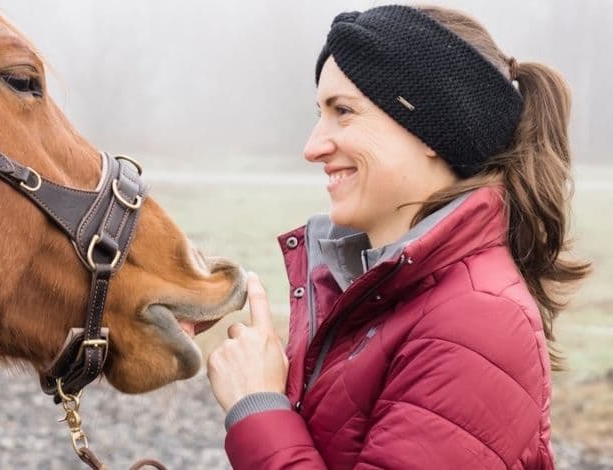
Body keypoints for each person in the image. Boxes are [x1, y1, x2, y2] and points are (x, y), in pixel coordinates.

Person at [206, 4, 590, 469]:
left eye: (343, 112)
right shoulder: (386, 291)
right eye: (320, 113)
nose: (312, 147)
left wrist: (258, 406)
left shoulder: (476, 321)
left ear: (431, 127)